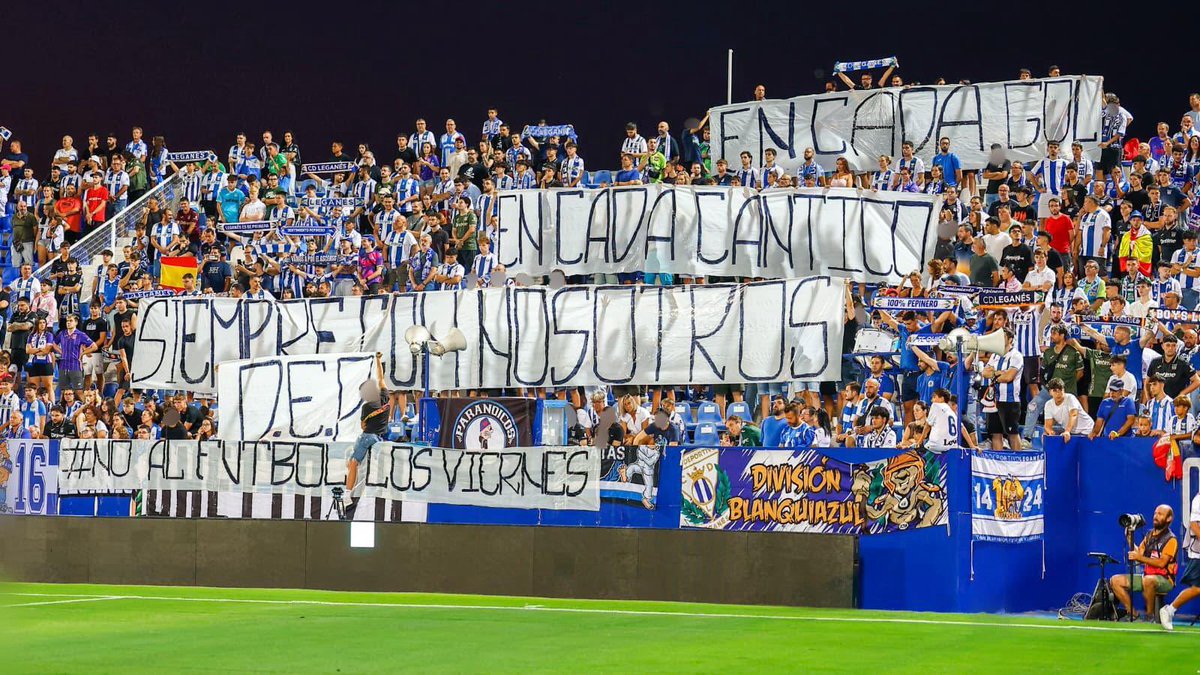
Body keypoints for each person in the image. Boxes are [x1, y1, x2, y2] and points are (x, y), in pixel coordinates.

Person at [1111, 505, 1177, 622]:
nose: (1155, 516)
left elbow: (1162, 563)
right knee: (1115, 580)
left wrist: (1140, 558)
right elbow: (1139, 553)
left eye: (1160, 514)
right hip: (1147, 576)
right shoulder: (1149, 535)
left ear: (1169, 519)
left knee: (1148, 580)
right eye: (1155, 513)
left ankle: (1149, 616)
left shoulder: (1171, 539)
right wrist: (1129, 537)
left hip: (1165, 579)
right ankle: (1133, 614)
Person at [345, 354, 388, 514]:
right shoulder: (385, 397)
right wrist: (378, 360)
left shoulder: (367, 407)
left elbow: (363, 426)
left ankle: (347, 495)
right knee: (353, 463)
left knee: (353, 463)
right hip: (379, 438)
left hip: (367, 436)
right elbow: (381, 377)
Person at [1160, 489, 1200, 630]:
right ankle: (1169, 610)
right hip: (1198, 552)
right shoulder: (1198, 499)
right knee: (1197, 589)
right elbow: (1194, 525)